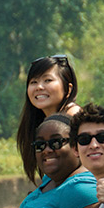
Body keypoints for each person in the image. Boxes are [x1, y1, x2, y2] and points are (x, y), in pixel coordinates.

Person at [16, 55, 81, 184]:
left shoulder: (75, 117)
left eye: (47, 80)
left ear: (68, 89)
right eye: (33, 82)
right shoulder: (41, 123)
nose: (39, 87)